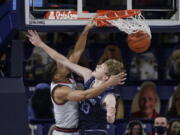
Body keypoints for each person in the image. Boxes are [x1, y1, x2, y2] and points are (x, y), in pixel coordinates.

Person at [27, 21, 126, 135]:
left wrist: (86, 30)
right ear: (57, 74)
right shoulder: (60, 90)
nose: (65, 63)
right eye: (60, 65)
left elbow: (76, 52)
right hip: (64, 132)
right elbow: (84, 95)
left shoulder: (69, 73)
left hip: (83, 131)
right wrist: (108, 84)